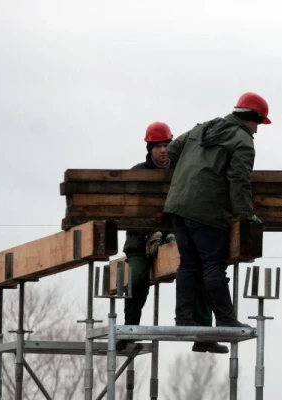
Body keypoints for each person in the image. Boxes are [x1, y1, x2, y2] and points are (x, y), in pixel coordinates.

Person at [164, 92, 271, 353]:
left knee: (189, 265)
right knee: (214, 266)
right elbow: (239, 179)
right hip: (207, 211)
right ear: (252, 119)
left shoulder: (204, 127)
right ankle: (225, 318)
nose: (257, 131)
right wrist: (246, 216)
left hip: (177, 206)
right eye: (258, 124)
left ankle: (184, 319)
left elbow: (171, 151)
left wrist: (190, 170)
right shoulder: (243, 141)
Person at [117, 121, 182, 351]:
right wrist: (150, 234)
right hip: (139, 242)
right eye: (158, 146)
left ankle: (192, 325)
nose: (163, 150)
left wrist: (169, 234)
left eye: (166, 145)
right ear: (150, 149)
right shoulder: (139, 173)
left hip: (173, 236)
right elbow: (131, 214)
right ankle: (129, 329)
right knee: (136, 279)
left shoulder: (180, 172)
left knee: (193, 268)